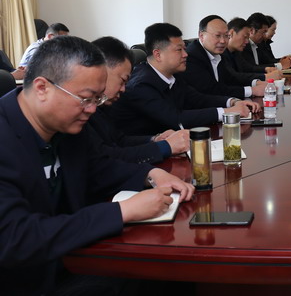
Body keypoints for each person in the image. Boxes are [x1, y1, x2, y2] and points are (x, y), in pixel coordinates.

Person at [0, 35, 194, 295]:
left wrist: (151, 173)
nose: (92, 110)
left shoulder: (64, 126)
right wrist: (122, 212)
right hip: (25, 280)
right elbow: (15, 239)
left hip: (71, 257)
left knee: (171, 270)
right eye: (86, 98)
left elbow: (98, 168)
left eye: (98, 99)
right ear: (42, 88)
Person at [110, 23, 259, 135]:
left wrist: (232, 101)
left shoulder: (173, 76)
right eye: (179, 50)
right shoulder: (142, 85)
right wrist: (226, 112)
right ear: (158, 55)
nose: (185, 54)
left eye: (184, 49)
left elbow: (197, 99)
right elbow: (175, 119)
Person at [88, 36, 190, 164]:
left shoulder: (102, 106)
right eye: (122, 81)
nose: (123, 89)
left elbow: (120, 140)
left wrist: (155, 139)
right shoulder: (85, 111)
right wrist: (166, 146)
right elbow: (107, 156)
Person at [183, 14, 266, 99]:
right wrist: (251, 90)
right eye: (217, 35)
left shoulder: (218, 53)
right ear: (201, 36)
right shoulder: (191, 57)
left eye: (226, 36)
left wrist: (256, 83)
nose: (223, 41)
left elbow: (230, 78)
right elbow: (211, 90)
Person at [223, 17, 283, 83]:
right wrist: (265, 77)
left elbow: (248, 68)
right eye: (245, 37)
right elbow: (234, 77)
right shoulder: (221, 54)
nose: (247, 41)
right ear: (231, 33)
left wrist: (266, 69)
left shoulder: (236, 52)